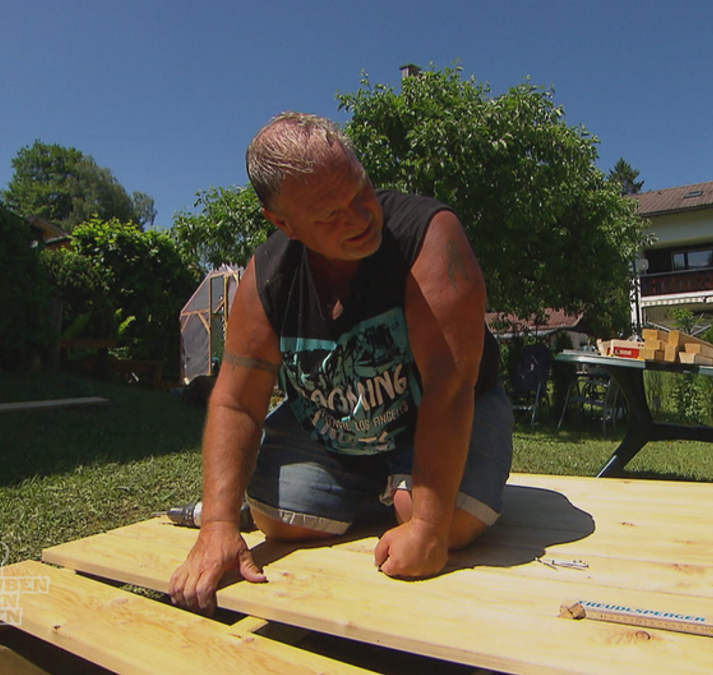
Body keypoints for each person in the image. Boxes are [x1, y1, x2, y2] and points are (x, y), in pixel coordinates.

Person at [169, 112, 514, 615]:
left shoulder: (428, 236)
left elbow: (449, 384)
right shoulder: (267, 279)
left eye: (361, 190)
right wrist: (219, 525)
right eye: (330, 215)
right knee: (276, 518)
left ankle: (400, 493)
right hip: (338, 426)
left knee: (442, 519)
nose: (360, 217)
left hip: (443, 412)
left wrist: (427, 529)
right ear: (284, 223)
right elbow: (237, 401)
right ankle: (380, 487)